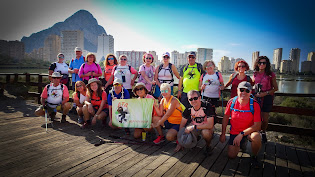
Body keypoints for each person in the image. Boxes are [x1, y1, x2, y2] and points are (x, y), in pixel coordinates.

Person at [220, 81, 262, 168]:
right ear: (237, 90)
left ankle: (254, 156)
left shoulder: (254, 104)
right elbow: (225, 118)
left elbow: (257, 126)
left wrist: (242, 134)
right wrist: (223, 133)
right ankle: (242, 143)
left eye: (247, 91)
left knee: (256, 137)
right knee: (231, 155)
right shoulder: (232, 102)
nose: (243, 92)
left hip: (249, 132)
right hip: (235, 132)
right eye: (241, 90)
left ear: (250, 92)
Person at [177, 90, 216, 155]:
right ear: (188, 100)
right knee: (186, 130)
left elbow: (210, 125)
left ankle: (208, 146)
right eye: (190, 99)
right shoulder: (188, 108)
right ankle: (195, 138)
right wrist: (180, 142)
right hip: (194, 125)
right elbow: (182, 124)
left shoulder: (207, 105)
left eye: (195, 98)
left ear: (200, 98)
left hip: (206, 126)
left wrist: (194, 127)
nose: (193, 101)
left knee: (205, 133)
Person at [252, 56, 278, 143]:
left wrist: (265, 93)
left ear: (267, 64)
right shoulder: (255, 73)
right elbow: (252, 84)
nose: (262, 64)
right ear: (257, 64)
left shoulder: (271, 74)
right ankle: (256, 133)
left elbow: (275, 88)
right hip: (257, 97)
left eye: (264, 63)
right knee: (256, 117)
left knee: (265, 119)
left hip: (267, 97)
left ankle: (263, 132)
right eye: (260, 63)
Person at [152, 83, 183, 149]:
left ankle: (179, 139)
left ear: (170, 91)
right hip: (168, 122)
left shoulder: (173, 100)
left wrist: (158, 124)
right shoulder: (163, 100)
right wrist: (155, 105)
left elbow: (167, 114)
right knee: (155, 118)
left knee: (169, 137)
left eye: (166, 91)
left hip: (177, 124)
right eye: (162, 91)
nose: (164, 93)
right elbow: (160, 114)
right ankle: (161, 136)